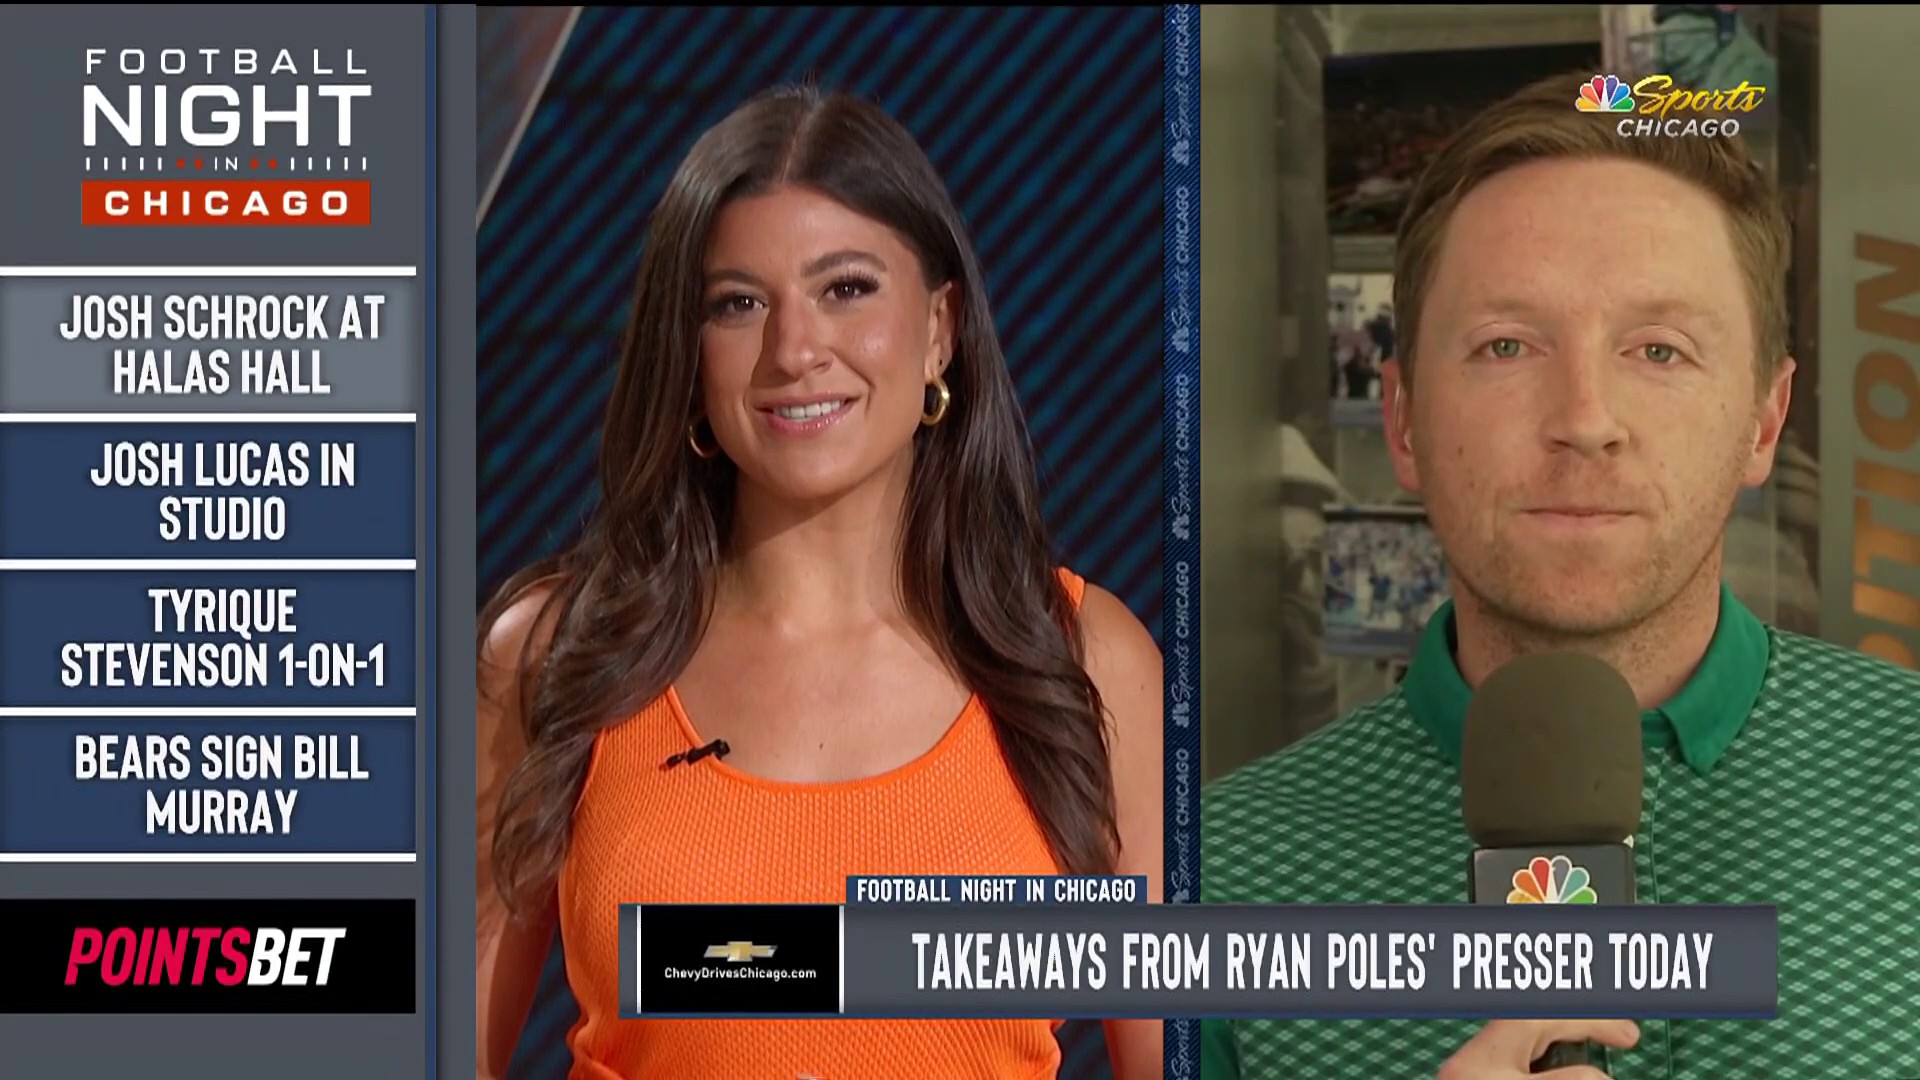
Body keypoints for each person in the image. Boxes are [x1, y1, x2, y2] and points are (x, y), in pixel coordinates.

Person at [1202, 69, 1920, 1078]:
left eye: (1659, 351)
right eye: (1506, 344)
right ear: (1402, 419)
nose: (1585, 418)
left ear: (1765, 419)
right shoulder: (1222, 871)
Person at [477, 85, 1165, 1080]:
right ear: (690, 353)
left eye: (845, 289)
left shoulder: (1087, 658)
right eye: (738, 303)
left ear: (940, 330)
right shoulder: (555, 656)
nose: (795, 351)